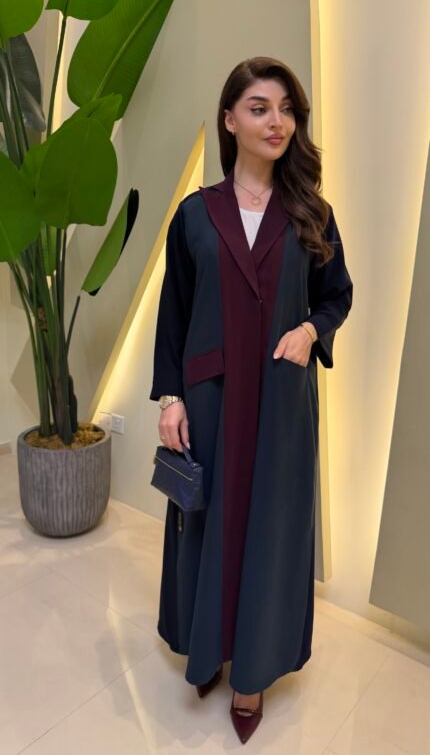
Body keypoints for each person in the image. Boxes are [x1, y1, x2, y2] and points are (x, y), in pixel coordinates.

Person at [149, 56, 353, 745]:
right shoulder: (194, 216)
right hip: (208, 402)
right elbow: (173, 315)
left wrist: (310, 330)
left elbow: (337, 296)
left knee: (270, 529)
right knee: (207, 523)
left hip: (282, 406)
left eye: (287, 110)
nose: (277, 122)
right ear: (230, 119)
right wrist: (171, 397)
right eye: (260, 108)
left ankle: (253, 672)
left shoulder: (311, 214)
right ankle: (207, 647)